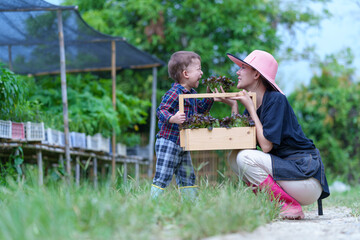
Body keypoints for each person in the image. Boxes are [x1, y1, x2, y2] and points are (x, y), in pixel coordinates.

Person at [216, 50, 330, 219]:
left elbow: (266, 146)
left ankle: (288, 206)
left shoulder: (276, 99)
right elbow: (242, 144)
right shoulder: (254, 103)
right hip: (288, 175)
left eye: (243, 67)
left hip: (306, 179)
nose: (238, 72)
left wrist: (250, 110)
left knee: (244, 158)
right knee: (235, 157)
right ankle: (273, 203)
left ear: (256, 74)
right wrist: (234, 106)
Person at [151, 51, 213, 200]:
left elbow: (202, 109)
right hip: (168, 141)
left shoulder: (191, 94)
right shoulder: (174, 93)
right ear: (186, 73)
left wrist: (209, 94)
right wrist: (173, 118)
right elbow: (161, 110)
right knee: (163, 175)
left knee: (187, 175)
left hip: (183, 143)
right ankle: (153, 203)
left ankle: (191, 204)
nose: (202, 72)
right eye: (198, 69)